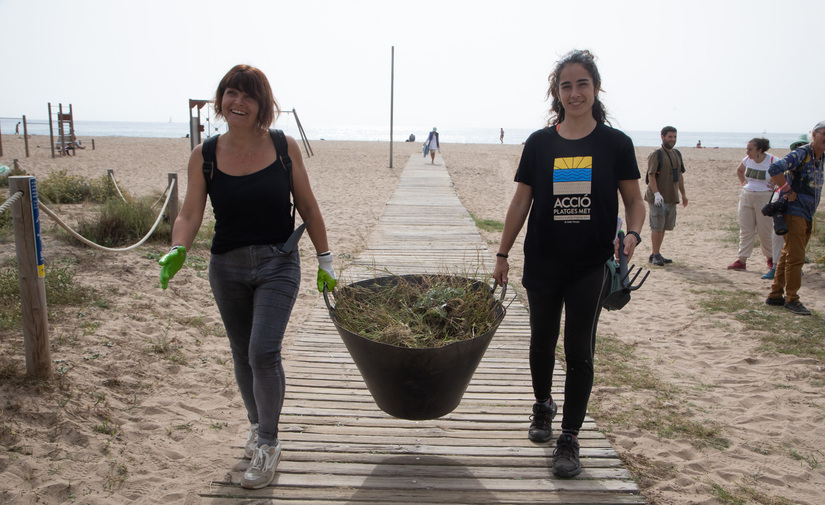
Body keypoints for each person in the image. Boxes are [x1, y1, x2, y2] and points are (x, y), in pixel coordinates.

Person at [158, 64, 337, 488]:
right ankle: (259, 427)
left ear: (262, 105)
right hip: (227, 267)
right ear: (221, 100)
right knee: (242, 354)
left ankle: (269, 444)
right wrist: (177, 248)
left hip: (279, 262)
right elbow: (188, 213)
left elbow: (308, 207)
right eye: (231, 93)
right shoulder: (204, 155)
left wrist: (325, 259)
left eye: (248, 96)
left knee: (262, 352)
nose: (238, 102)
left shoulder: (282, 146)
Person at [493, 49, 645, 478]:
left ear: (595, 89)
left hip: (589, 267)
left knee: (580, 350)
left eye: (582, 84)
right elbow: (521, 200)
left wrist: (633, 234)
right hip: (542, 262)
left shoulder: (616, 144)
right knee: (541, 342)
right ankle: (542, 406)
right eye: (566, 85)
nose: (574, 93)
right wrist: (502, 253)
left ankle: (570, 437)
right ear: (556, 93)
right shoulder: (540, 143)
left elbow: (634, 200)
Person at [765, 121, 825, 315]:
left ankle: (775, 295)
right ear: (814, 134)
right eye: (824, 133)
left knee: (787, 254)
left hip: (807, 212)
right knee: (797, 257)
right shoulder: (802, 153)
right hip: (793, 211)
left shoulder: (821, 157)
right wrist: (788, 190)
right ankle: (792, 299)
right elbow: (775, 169)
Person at [728, 138, 776, 272]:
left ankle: (771, 258)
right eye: (747, 148)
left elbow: (784, 174)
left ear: (760, 150)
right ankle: (742, 260)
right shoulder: (747, 160)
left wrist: (774, 182)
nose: (747, 151)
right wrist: (743, 182)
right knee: (746, 229)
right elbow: (739, 170)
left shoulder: (772, 160)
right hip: (746, 195)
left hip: (764, 197)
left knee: (764, 230)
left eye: (750, 149)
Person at [644, 126, 688, 266]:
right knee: (656, 226)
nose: (672, 139)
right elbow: (651, 175)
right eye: (670, 137)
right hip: (657, 198)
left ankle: (656, 253)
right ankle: (655, 254)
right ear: (662, 137)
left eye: (674, 137)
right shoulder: (656, 155)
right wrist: (656, 194)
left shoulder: (677, 154)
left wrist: (683, 194)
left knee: (664, 226)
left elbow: (679, 175)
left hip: (671, 196)